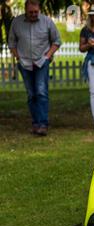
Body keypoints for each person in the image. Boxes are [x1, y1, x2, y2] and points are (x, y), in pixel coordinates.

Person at [8, 0, 61, 136]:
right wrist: (18, 57)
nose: (33, 14)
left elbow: (57, 41)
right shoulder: (17, 23)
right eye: (30, 12)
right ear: (25, 10)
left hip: (41, 62)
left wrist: (48, 56)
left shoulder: (47, 22)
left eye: (36, 12)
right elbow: (12, 42)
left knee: (41, 92)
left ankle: (43, 124)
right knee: (31, 94)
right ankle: (35, 123)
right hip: (24, 64)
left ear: (39, 10)